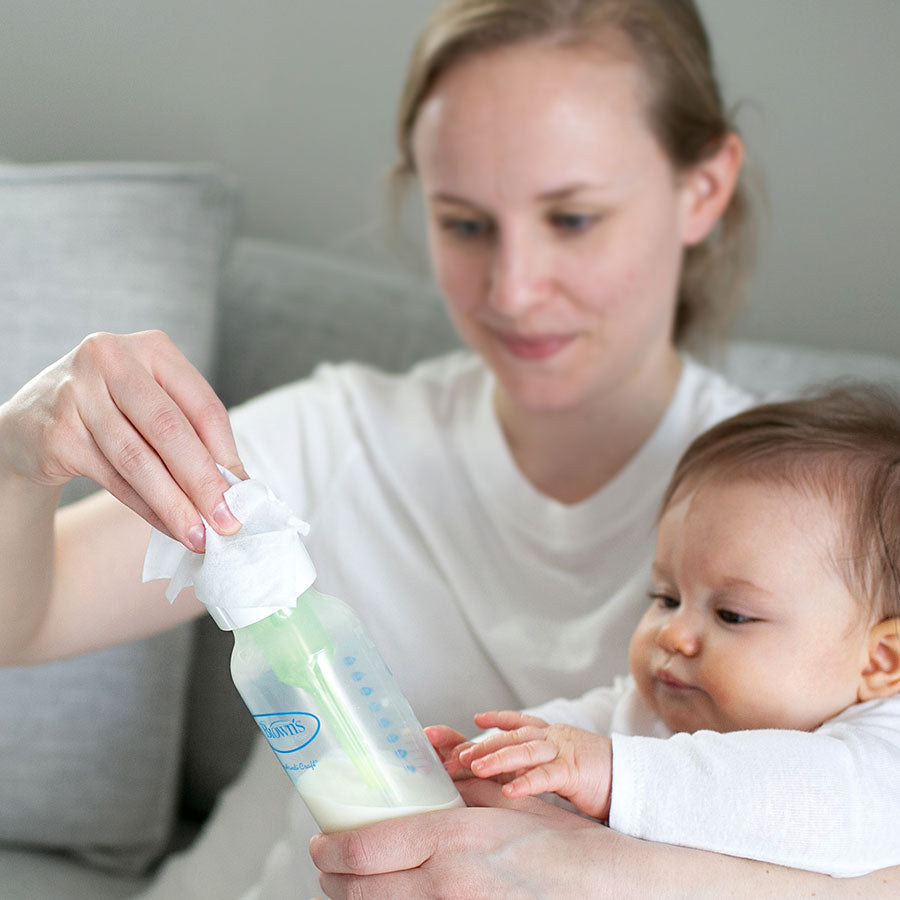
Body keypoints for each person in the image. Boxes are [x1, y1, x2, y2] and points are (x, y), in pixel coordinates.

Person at [1, 0, 897, 896]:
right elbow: (26, 621)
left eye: (573, 218)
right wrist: (16, 451)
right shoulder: (333, 438)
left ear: (701, 189)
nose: (512, 288)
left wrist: (592, 872)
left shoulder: (825, 525)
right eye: (466, 224)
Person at [425, 386, 900, 878]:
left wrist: (616, 773)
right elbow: (577, 732)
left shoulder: (883, 754)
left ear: (880, 660)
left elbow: (823, 800)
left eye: (732, 615)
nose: (674, 633)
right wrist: (494, 757)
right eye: (666, 598)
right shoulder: (657, 703)